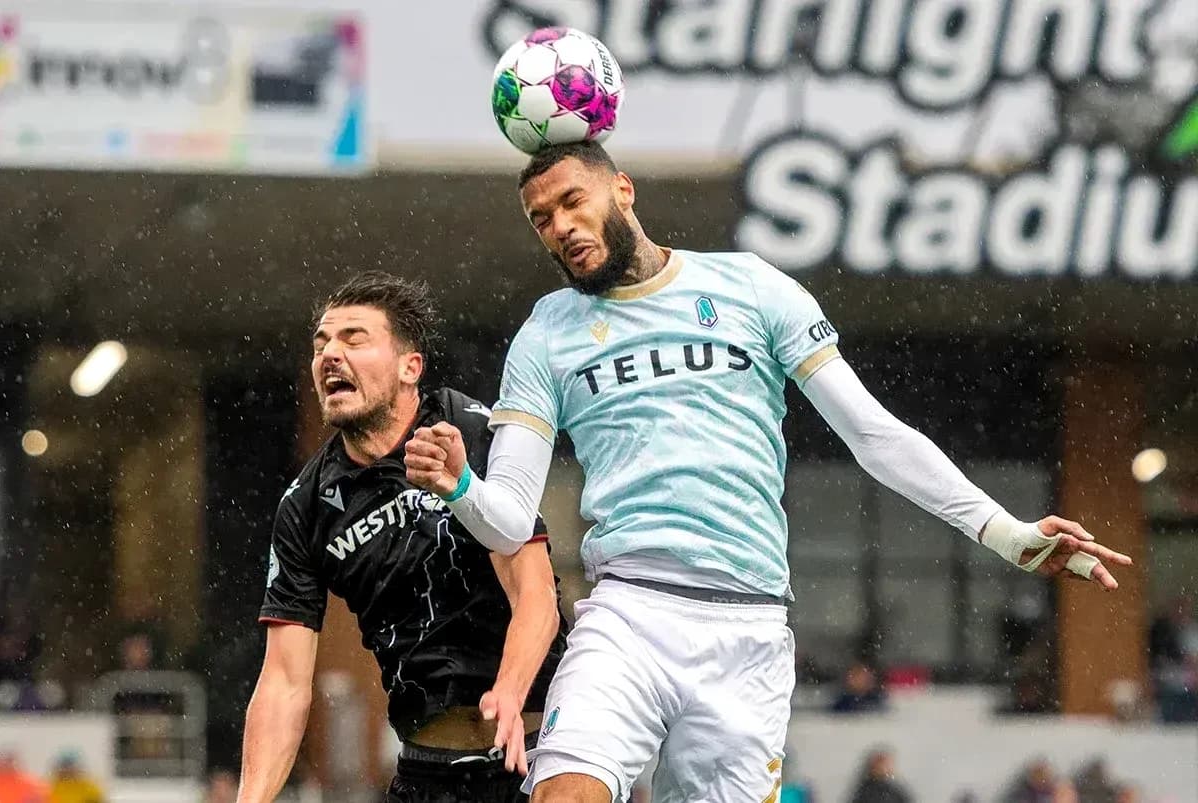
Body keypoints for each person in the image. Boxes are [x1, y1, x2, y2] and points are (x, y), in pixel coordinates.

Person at [402, 141, 1133, 803]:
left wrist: (1005, 533)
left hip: (747, 628)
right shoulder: (546, 332)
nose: (559, 226)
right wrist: (464, 483)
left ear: (622, 190)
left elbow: (874, 434)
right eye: (540, 218)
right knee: (563, 792)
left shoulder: (753, 287)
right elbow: (507, 520)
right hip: (628, 614)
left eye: (571, 201)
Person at [237, 273, 568, 803]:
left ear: (409, 367)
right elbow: (284, 681)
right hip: (426, 773)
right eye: (321, 345)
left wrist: (508, 689)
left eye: (354, 338)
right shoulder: (305, 506)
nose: (330, 356)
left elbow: (535, 595)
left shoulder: (466, 430)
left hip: (540, 751)